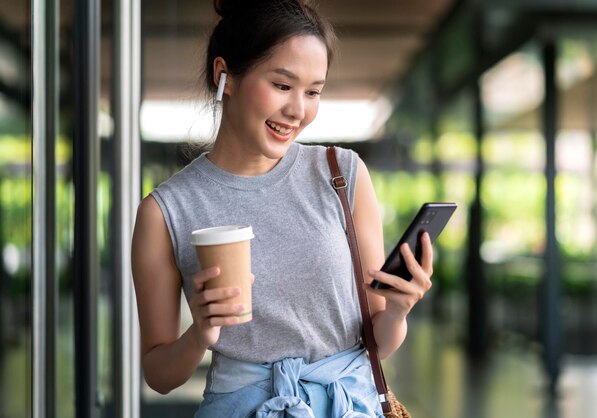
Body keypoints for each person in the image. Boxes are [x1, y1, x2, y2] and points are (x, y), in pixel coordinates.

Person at [131, 0, 434, 416]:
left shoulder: (342, 174)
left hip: (348, 406)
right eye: (282, 85)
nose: (298, 110)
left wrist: (399, 309)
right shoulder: (165, 211)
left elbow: (378, 341)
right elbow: (159, 374)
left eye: (313, 92)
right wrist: (200, 333)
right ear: (225, 76)